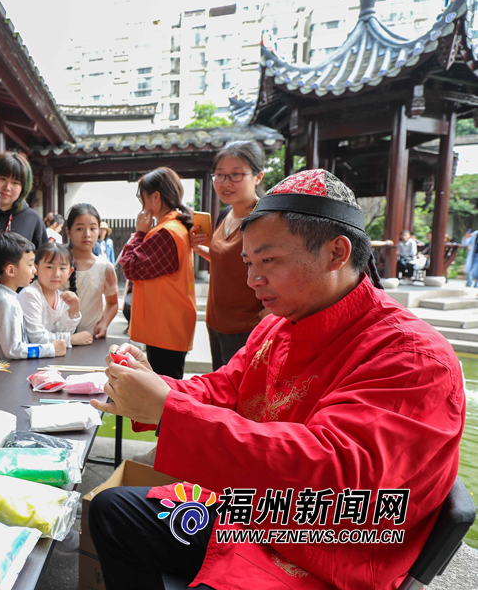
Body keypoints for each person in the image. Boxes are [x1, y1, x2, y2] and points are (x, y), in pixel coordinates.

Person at [89, 169, 464, 590]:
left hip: (330, 548)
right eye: (249, 263)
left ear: (337, 253)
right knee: (113, 509)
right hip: (256, 512)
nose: (252, 281)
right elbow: (223, 390)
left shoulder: (413, 357)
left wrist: (167, 410)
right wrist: (154, 388)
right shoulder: (277, 326)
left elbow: (335, 481)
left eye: (269, 261)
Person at [190, 141, 268, 370]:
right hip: (216, 323)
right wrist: (199, 249)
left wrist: (267, 315)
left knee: (243, 400)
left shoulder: (264, 219)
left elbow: (278, 269)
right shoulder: (225, 214)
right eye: (220, 175)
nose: (225, 183)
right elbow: (230, 262)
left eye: (236, 175)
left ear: (258, 177)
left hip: (247, 328)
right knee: (222, 394)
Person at [119, 167, 195, 380]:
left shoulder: (166, 232)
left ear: (155, 197)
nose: (142, 205)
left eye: (143, 198)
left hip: (165, 328)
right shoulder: (174, 227)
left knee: (163, 396)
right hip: (168, 325)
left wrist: (139, 233)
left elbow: (130, 268)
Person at [0, 232, 66, 360]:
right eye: (30, 265)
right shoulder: (5, 302)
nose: (34, 270)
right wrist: (51, 349)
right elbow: (13, 349)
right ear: (10, 270)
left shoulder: (8, 296)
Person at [18, 242, 91, 348]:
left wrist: (74, 310)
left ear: (70, 272)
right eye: (50, 267)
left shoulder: (63, 297)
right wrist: (71, 339)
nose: (56, 274)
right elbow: (36, 337)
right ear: (36, 269)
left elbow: (63, 331)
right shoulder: (30, 294)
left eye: (62, 268)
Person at [65, 204, 118, 338]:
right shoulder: (57, 264)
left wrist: (104, 323)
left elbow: (112, 303)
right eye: (80, 228)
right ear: (68, 231)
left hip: (91, 337)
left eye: (93, 228)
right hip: (59, 338)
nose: (87, 234)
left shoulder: (105, 267)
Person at [0, 152, 46, 250]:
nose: (7, 187)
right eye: (2, 179)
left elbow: (42, 260)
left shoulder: (33, 219)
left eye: (15, 183)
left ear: (23, 187)